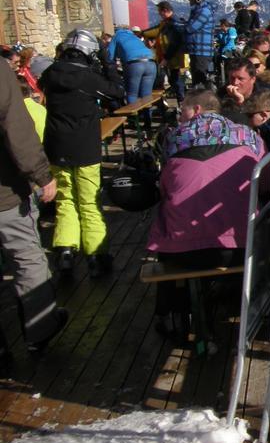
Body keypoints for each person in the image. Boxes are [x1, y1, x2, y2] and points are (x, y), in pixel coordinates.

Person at [147, 89, 265, 338]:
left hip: (184, 253)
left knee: (168, 215)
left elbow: (165, 189)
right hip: (244, 247)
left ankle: (168, 311)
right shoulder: (248, 135)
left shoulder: (174, 139)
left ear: (197, 110)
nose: (180, 118)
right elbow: (265, 183)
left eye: (183, 112)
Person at [39, 28, 124, 277]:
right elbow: (117, 91)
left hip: (56, 147)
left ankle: (65, 251)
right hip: (84, 147)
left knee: (65, 200)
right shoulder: (89, 78)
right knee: (89, 203)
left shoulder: (50, 74)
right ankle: (97, 255)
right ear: (89, 52)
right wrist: (107, 62)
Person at [0, 63, 66, 356]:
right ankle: (40, 329)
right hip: (4, 191)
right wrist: (41, 174)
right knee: (27, 258)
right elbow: (16, 126)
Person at [106, 25, 157, 128]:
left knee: (132, 94)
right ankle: (148, 123)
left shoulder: (116, 37)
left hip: (134, 64)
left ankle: (134, 122)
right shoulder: (134, 37)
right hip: (151, 62)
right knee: (146, 95)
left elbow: (109, 56)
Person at [142, 0, 185, 102]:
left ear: (165, 10)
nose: (159, 14)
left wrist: (166, 58)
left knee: (176, 80)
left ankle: (182, 101)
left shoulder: (174, 23)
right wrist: (142, 33)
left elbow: (174, 43)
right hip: (168, 57)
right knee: (173, 80)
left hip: (174, 58)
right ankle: (179, 101)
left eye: (160, 12)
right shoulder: (165, 23)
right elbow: (155, 30)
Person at [184, 0, 215, 88]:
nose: (190, 3)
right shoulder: (200, 10)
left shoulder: (203, 12)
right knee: (197, 78)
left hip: (201, 50)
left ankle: (202, 100)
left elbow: (191, 28)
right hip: (198, 50)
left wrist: (181, 24)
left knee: (199, 81)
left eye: (191, 0)